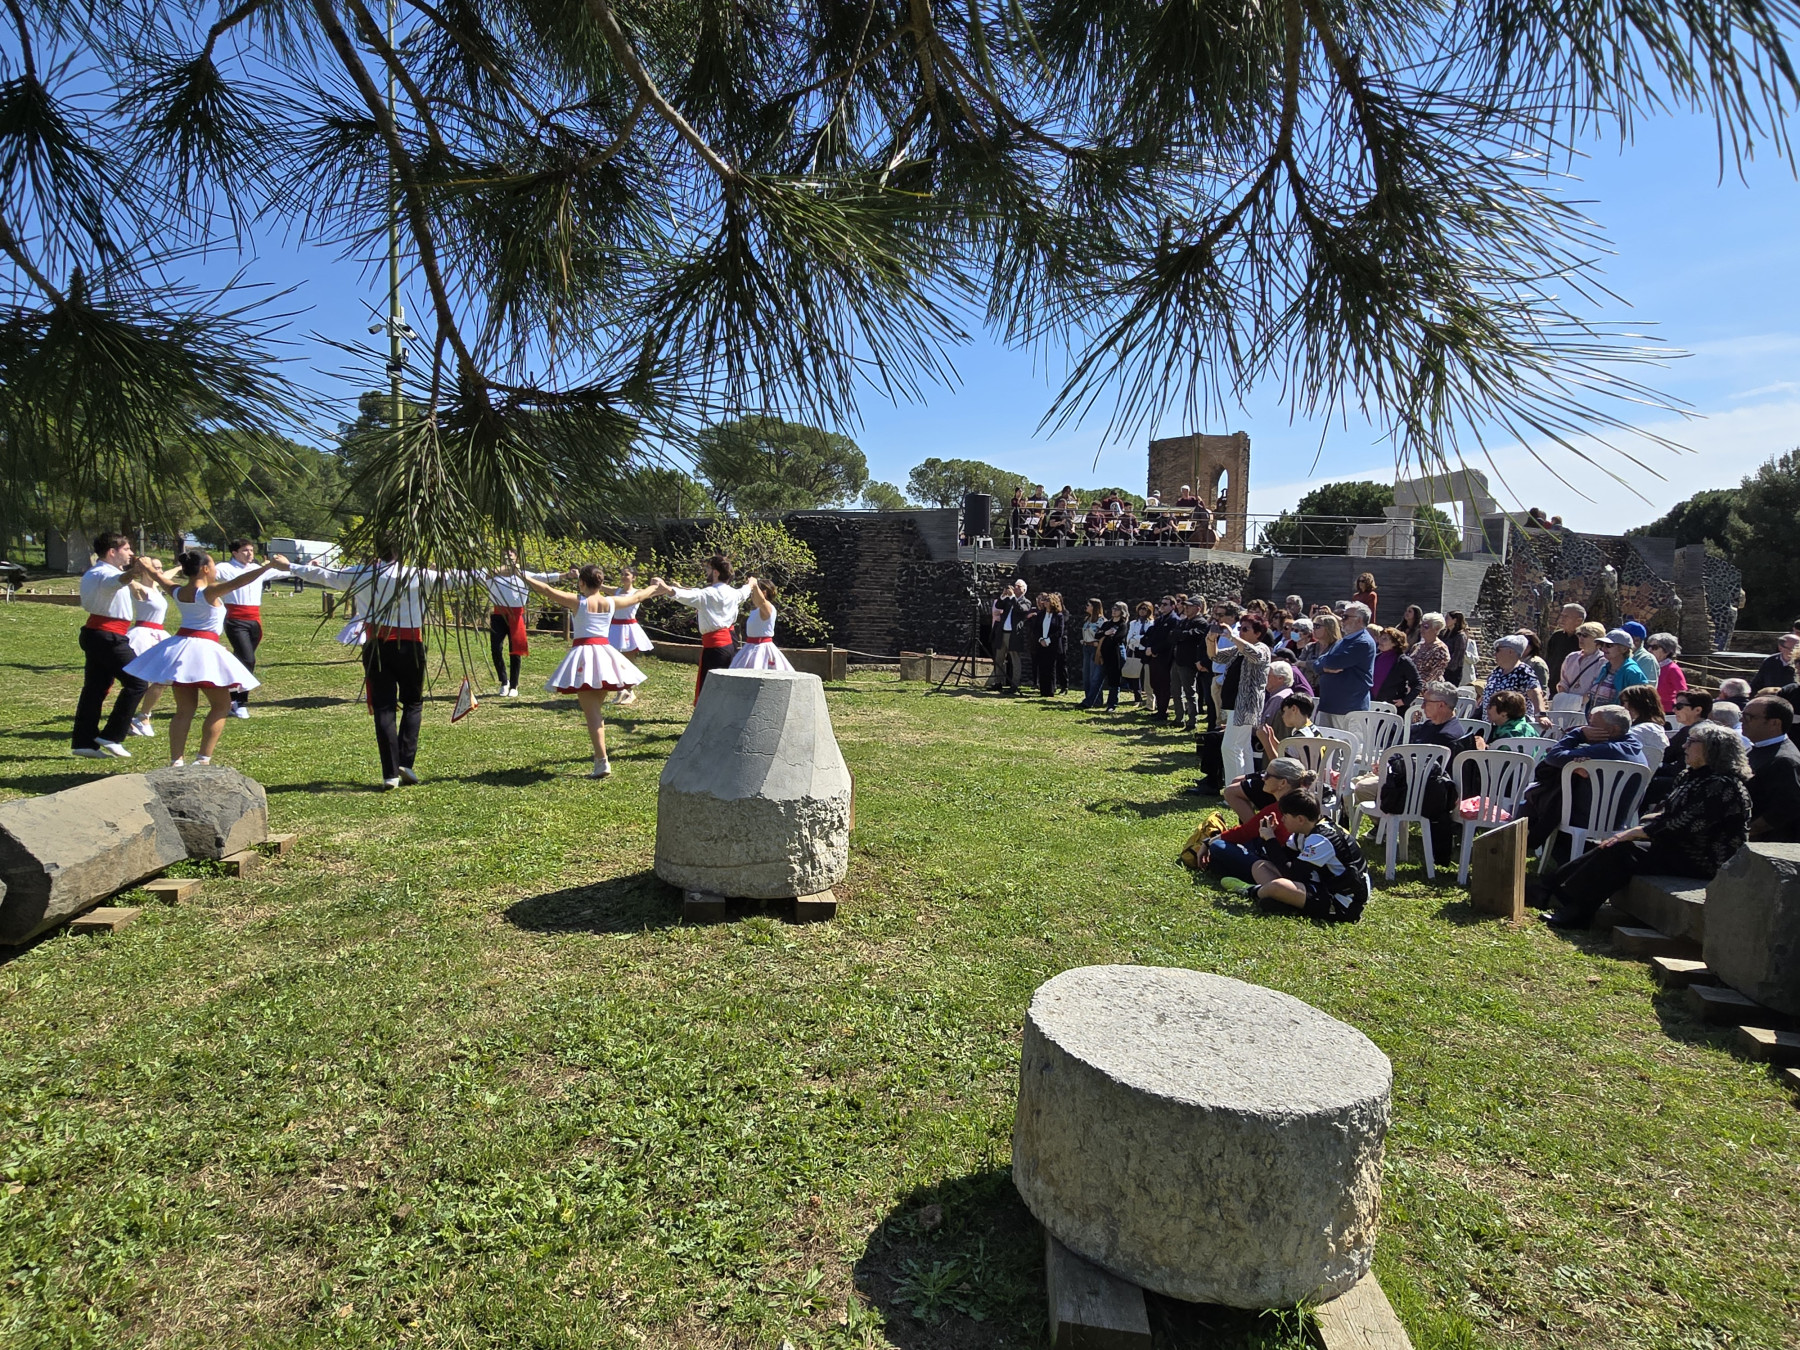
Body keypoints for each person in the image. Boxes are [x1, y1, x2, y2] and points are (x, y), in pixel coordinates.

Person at [1537, 723, 1753, 929]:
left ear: (1712, 749)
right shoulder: (1692, 776)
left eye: (1692, 741)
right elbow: (1667, 813)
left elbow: (1683, 825)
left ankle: (1577, 910)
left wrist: (1636, 832)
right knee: (1603, 846)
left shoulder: (1724, 784)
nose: (1684, 746)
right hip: (1678, 846)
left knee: (1622, 851)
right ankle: (1550, 888)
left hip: (1704, 857)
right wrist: (1639, 829)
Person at [290, 547, 473, 789]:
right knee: (413, 702)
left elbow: (324, 575)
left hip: (376, 645)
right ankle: (405, 761)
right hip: (410, 645)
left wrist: (289, 566)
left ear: (377, 551)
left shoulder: (362, 573)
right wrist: (496, 571)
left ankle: (390, 773)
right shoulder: (415, 574)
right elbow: (460, 578)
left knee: (384, 706)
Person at [123, 550, 289, 766]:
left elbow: (158, 577)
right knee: (221, 706)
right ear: (205, 569)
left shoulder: (179, 591)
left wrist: (147, 567)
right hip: (204, 652)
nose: (216, 569)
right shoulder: (208, 592)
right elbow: (240, 581)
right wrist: (267, 567)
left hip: (181, 649)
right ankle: (203, 759)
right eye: (213, 565)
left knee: (184, 710)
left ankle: (176, 761)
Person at [516, 565, 660, 777]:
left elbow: (547, 590)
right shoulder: (611, 602)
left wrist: (522, 575)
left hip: (585, 656)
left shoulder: (579, 601)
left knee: (592, 714)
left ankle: (602, 761)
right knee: (595, 712)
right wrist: (654, 586)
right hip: (605, 656)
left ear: (582, 583)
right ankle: (600, 760)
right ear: (601, 583)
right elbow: (638, 597)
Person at [1217, 790, 1370, 923]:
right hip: (1317, 884)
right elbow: (1283, 860)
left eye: (1285, 815)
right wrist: (1271, 839)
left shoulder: (1322, 839)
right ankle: (1279, 899)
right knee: (1261, 866)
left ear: (1300, 819)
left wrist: (1270, 839)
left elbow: (1292, 873)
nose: (1282, 819)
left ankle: (1251, 891)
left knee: (1280, 885)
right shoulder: (1304, 831)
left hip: (1343, 901)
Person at [1522, 705, 1647, 857]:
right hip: (1618, 821)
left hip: (1583, 819)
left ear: (1613, 730)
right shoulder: (1637, 751)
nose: (1587, 728)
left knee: (1540, 793)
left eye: (1593, 726)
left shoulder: (1605, 750)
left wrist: (1578, 733)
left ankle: (1522, 843)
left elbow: (1553, 756)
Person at [71, 532, 153, 759]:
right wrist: (134, 574)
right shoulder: (101, 573)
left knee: (95, 690)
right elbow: (115, 581)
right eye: (126, 549)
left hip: (100, 634)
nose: (130, 553)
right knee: (137, 682)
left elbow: (118, 579)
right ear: (112, 552)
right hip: (108, 636)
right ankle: (112, 735)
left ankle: (83, 742)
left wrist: (132, 579)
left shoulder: (100, 572)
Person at [1204, 758, 1319, 881]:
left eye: (1268, 775)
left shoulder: (1279, 808)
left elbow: (1243, 832)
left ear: (1283, 783)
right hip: (1285, 859)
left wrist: (1207, 843)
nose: (1263, 778)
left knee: (1218, 846)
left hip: (1279, 865)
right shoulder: (1302, 801)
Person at [214, 539, 291, 719]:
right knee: (248, 659)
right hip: (235, 619)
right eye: (245, 551)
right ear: (235, 552)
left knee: (243, 661)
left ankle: (232, 697)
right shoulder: (226, 568)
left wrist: (307, 566)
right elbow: (208, 574)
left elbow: (281, 571)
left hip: (254, 620)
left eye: (251, 550)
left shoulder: (256, 569)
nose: (250, 553)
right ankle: (238, 701)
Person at [666, 554, 756, 702]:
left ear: (716, 572)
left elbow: (687, 596)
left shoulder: (707, 595)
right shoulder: (733, 593)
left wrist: (667, 589)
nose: (706, 572)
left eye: (708, 569)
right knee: (726, 682)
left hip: (716, 647)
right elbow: (744, 591)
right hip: (730, 644)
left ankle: (713, 717)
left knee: (712, 685)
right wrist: (751, 583)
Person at [484, 548, 564, 697]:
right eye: (505, 556)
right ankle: (504, 681)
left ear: (517, 558)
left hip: (516, 616)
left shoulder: (523, 575)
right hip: (498, 615)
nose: (508, 557)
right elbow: (483, 574)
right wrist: (504, 569)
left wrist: (565, 575)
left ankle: (514, 685)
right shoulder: (494, 574)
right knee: (496, 648)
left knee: (516, 650)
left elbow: (544, 577)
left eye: (510, 555)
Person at [124, 559, 178, 740]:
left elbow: (167, 575)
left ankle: (143, 715)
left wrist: (180, 566)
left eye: (161, 567)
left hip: (159, 634)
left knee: (164, 678)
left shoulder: (155, 586)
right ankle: (133, 718)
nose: (160, 571)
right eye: (156, 568)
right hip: (143, 635)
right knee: (141, 680)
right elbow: (126, 581)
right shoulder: (139, 588)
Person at [1221, 613, 1272, 784]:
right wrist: (1211, 640)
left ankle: (1234, 789)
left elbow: (1255, 655)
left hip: (1245, 704)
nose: (1241, 632)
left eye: (1245, 629)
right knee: (1243, 747)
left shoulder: (1262, 648)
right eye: (1239, 628)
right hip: (1234, 702)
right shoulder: (1238, 650)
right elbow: (1215, 656)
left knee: (1230, 747)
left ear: (1257, 633)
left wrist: (1233, 637)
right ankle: (1248, 786)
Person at [1744, 696, 1800, 842]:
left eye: (1749, 717)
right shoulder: (1758, 748)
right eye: (1741, 715)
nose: (1741, 721)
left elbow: (1786, 808)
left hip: (1765, 850)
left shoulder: (1784, 760)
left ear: (1774, 723)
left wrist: (1746, 832)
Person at [1315, 601, 1377, 730]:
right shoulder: (1342, 641)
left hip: (1348, 709)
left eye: (1345, 617)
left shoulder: (1363, 642)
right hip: (1329, 706)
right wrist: (1322, 666)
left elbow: (1333, 662)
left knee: (1349, 748)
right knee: (1324, 748)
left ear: (1359, 620)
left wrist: (1323, 663)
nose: (1342, 620)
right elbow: (1317, 663)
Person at [1645, 689, 1712, 807]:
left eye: (1679, 706)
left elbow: (1665, 755)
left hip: (1685, 782)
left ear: (1697, 710)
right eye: (1674, 705)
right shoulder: (1713, 727)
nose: (1674, 710)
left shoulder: (1691, 731)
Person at [607, 565, 655, 703]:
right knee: (614, 661)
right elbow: (599, 586)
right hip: (615, 628)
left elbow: (654, 591)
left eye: (626, 574)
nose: (623, 576)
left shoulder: (637, 592)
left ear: (633, 577)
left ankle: (630, 691)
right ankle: (620, 691)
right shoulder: (616, 591)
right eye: (622, 574)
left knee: (628, 662)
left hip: (629, 628)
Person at [731, 578, 795, 672]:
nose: (751, 596)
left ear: (764, 592)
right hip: (749, 647)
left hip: (763, 649)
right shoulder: (755, 611)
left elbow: (761, 602)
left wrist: (755, 585)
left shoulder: (768, 608)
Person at [1478, 635, 1546, 718]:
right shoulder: (1496, 672)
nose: (1494, 654)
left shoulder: (1523, 672)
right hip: (1490, 726)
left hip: (1513, 727)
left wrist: (1541, 715)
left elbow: (1535, 692)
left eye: (1498, 650)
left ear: (1510, 651)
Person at [1171, 597, 1208, 730]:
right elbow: (1174, 635)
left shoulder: (1201, 622)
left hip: (1188, 661)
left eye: (1189, 606)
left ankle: (1192, 720)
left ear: (1198, 608)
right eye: (1185, 606)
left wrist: (1181, 635)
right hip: (1178, 659)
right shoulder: (1183, 621)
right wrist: (1181, 635)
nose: (1186, 608)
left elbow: (1193, 635)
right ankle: (1179, 717)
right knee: (1175, 690)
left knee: (1189, 692)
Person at [1588, 628, 1648, 708]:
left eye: (1609, 645)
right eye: (1602, 645)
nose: (1603, 648)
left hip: (1618, 719)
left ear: (1624, 649)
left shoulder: (1633, 672)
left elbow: (1639, 704)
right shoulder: (1605, 668)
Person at [990, 579, 1032, 692]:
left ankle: (1014, 684)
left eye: (1018, 586)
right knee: (999, 658)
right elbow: (999, 605)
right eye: (1015, 586)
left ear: (1024, 589)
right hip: (1003, 632)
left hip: (1013, 635)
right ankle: (997, 682)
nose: (1016, 588)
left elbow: (1019, 609)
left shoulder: (1026, 602)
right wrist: (1003, 595)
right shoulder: (1008, 601)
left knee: (1015, 659)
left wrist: (1013, 596)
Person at [1556, 621, 1610, 708]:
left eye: (1585, 635)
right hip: (1566, 707)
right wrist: (1565, 700)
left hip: (1588, 708)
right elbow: (1563, 683)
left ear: (1597, 640)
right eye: (1579, 634)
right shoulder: (1571, 657)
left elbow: (1597, 688)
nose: (1580, 638)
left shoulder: (1604, 661)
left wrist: (1580, 702)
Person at [1142, 596, 1178, 718]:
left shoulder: (1174, 620)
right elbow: (1152, 636)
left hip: (1165, 657)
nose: (1162, 606)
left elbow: (1169, 640)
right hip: (1154, 656)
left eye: (1165, 604)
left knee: (1163, 685)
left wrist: (1154, 650)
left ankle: (1163, 711)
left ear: (1173, 606)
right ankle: (1159, 709)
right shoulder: (1160, 619)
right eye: (1161, 604)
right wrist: (1149, 648)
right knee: (1155, 683)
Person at [1620, 685, 1669, 773]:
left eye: (1625, 702)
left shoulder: (1648, 728)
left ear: (1638, 703)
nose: (1623, 707)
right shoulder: (1651, 726)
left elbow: (1619, 743)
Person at [1372, 626, 1421, 712]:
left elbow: (1417, 684)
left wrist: (1405, 701)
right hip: (1373, 706)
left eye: (1385, 639)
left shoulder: (1403, 661)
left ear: (1395, 643)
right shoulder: (1376, 658)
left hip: (1393, 708)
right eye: (1380, 638)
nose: (1380, 641)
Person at [1545, 604, 1586, 693]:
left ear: (1579, 621)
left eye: (1566, 617)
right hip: (1552, 686)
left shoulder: (1584, 640)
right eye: (1562, 616)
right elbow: (1549, 660)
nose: (1561, 619)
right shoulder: (1557, 636)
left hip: (1572, 689)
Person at [1032, 593, 1066, 697]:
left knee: (1051, 668)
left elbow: (1059, 631)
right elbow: (1036, 629)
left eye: (1047, 600)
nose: (1044, 602)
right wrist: (1041, 639)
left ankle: (1050, 690)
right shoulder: (1041, 614)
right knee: (1042, 667)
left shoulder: (1058, 616)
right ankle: (1043, 690)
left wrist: (1048, 640)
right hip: (1041, 644)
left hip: (1053, 645)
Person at [1098, 602, 1129, 710]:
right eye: (1113, 608)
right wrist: (1106, 633)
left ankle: (1112, 704)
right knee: (1098, 677)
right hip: (1104, 654)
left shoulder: (1122, 625)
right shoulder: (1107, 623)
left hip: (1115, 655)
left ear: (1122, 612)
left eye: (1117, 609)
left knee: (1114, 680)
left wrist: (1108, 635)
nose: (1114, 610)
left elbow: (1118, 638)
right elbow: (1097, 634)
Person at [1125, 600, 1154, 704]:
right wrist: (1140, 639)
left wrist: (1137, 638)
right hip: (1135, 650)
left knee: (1147, 675)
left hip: (1146, 651)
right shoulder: (1133, 623)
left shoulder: (1152, 623)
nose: (1142, 611)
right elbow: (1129, 639)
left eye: (1145, 609)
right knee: (1135, 674)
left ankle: (1149, 698)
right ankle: (1137, 697)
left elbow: (1148, 638)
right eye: (1140, 609)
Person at [1411, 612, 1449, 687]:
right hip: (1410, 688)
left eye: (1426, 627)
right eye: (1421, 626)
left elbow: (1433, 674)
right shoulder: (1416, 646)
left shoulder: (1441, 649)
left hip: (1429, 691)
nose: (1421, 629)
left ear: (1436, 629)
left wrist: (1415, 689)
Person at [1620, 621, 1659, 686]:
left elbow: (1647, 688)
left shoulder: (1647, 660)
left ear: (1636, 640)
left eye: (1623, 637)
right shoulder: (1619, 656)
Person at [1442, 611, 1472, 687]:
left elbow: (1457, 656)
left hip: (1452, 672)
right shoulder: (1445, 633)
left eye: (1447, 618)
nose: (1445, 620)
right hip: (1443, 669)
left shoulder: (1460, 636)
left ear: (1454, 620)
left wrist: (1447, 668)